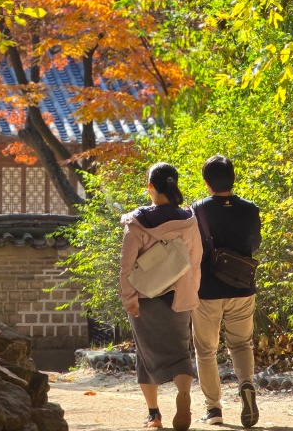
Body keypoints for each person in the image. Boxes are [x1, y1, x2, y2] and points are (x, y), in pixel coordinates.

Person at [120, 162, 203, 430]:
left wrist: (128, 298)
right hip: (177, 298)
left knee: (145, 355)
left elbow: (126, 265)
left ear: (151, 187)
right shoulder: (188, 221)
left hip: (145, 299)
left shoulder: (137, 223)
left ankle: (154, 414)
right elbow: (195, 260)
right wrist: (191, 293)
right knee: (180, 352)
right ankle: (183, 394)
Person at [191, 155, 261, 427]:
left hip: (207, 289)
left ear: (206, 182)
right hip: (242, 287)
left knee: (206, 350)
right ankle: (246, 384)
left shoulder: (198, 209)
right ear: (233, 178)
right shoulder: (250, 209)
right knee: (242, 343)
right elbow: (254, 245)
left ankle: (214, 410)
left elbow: (192, 249)